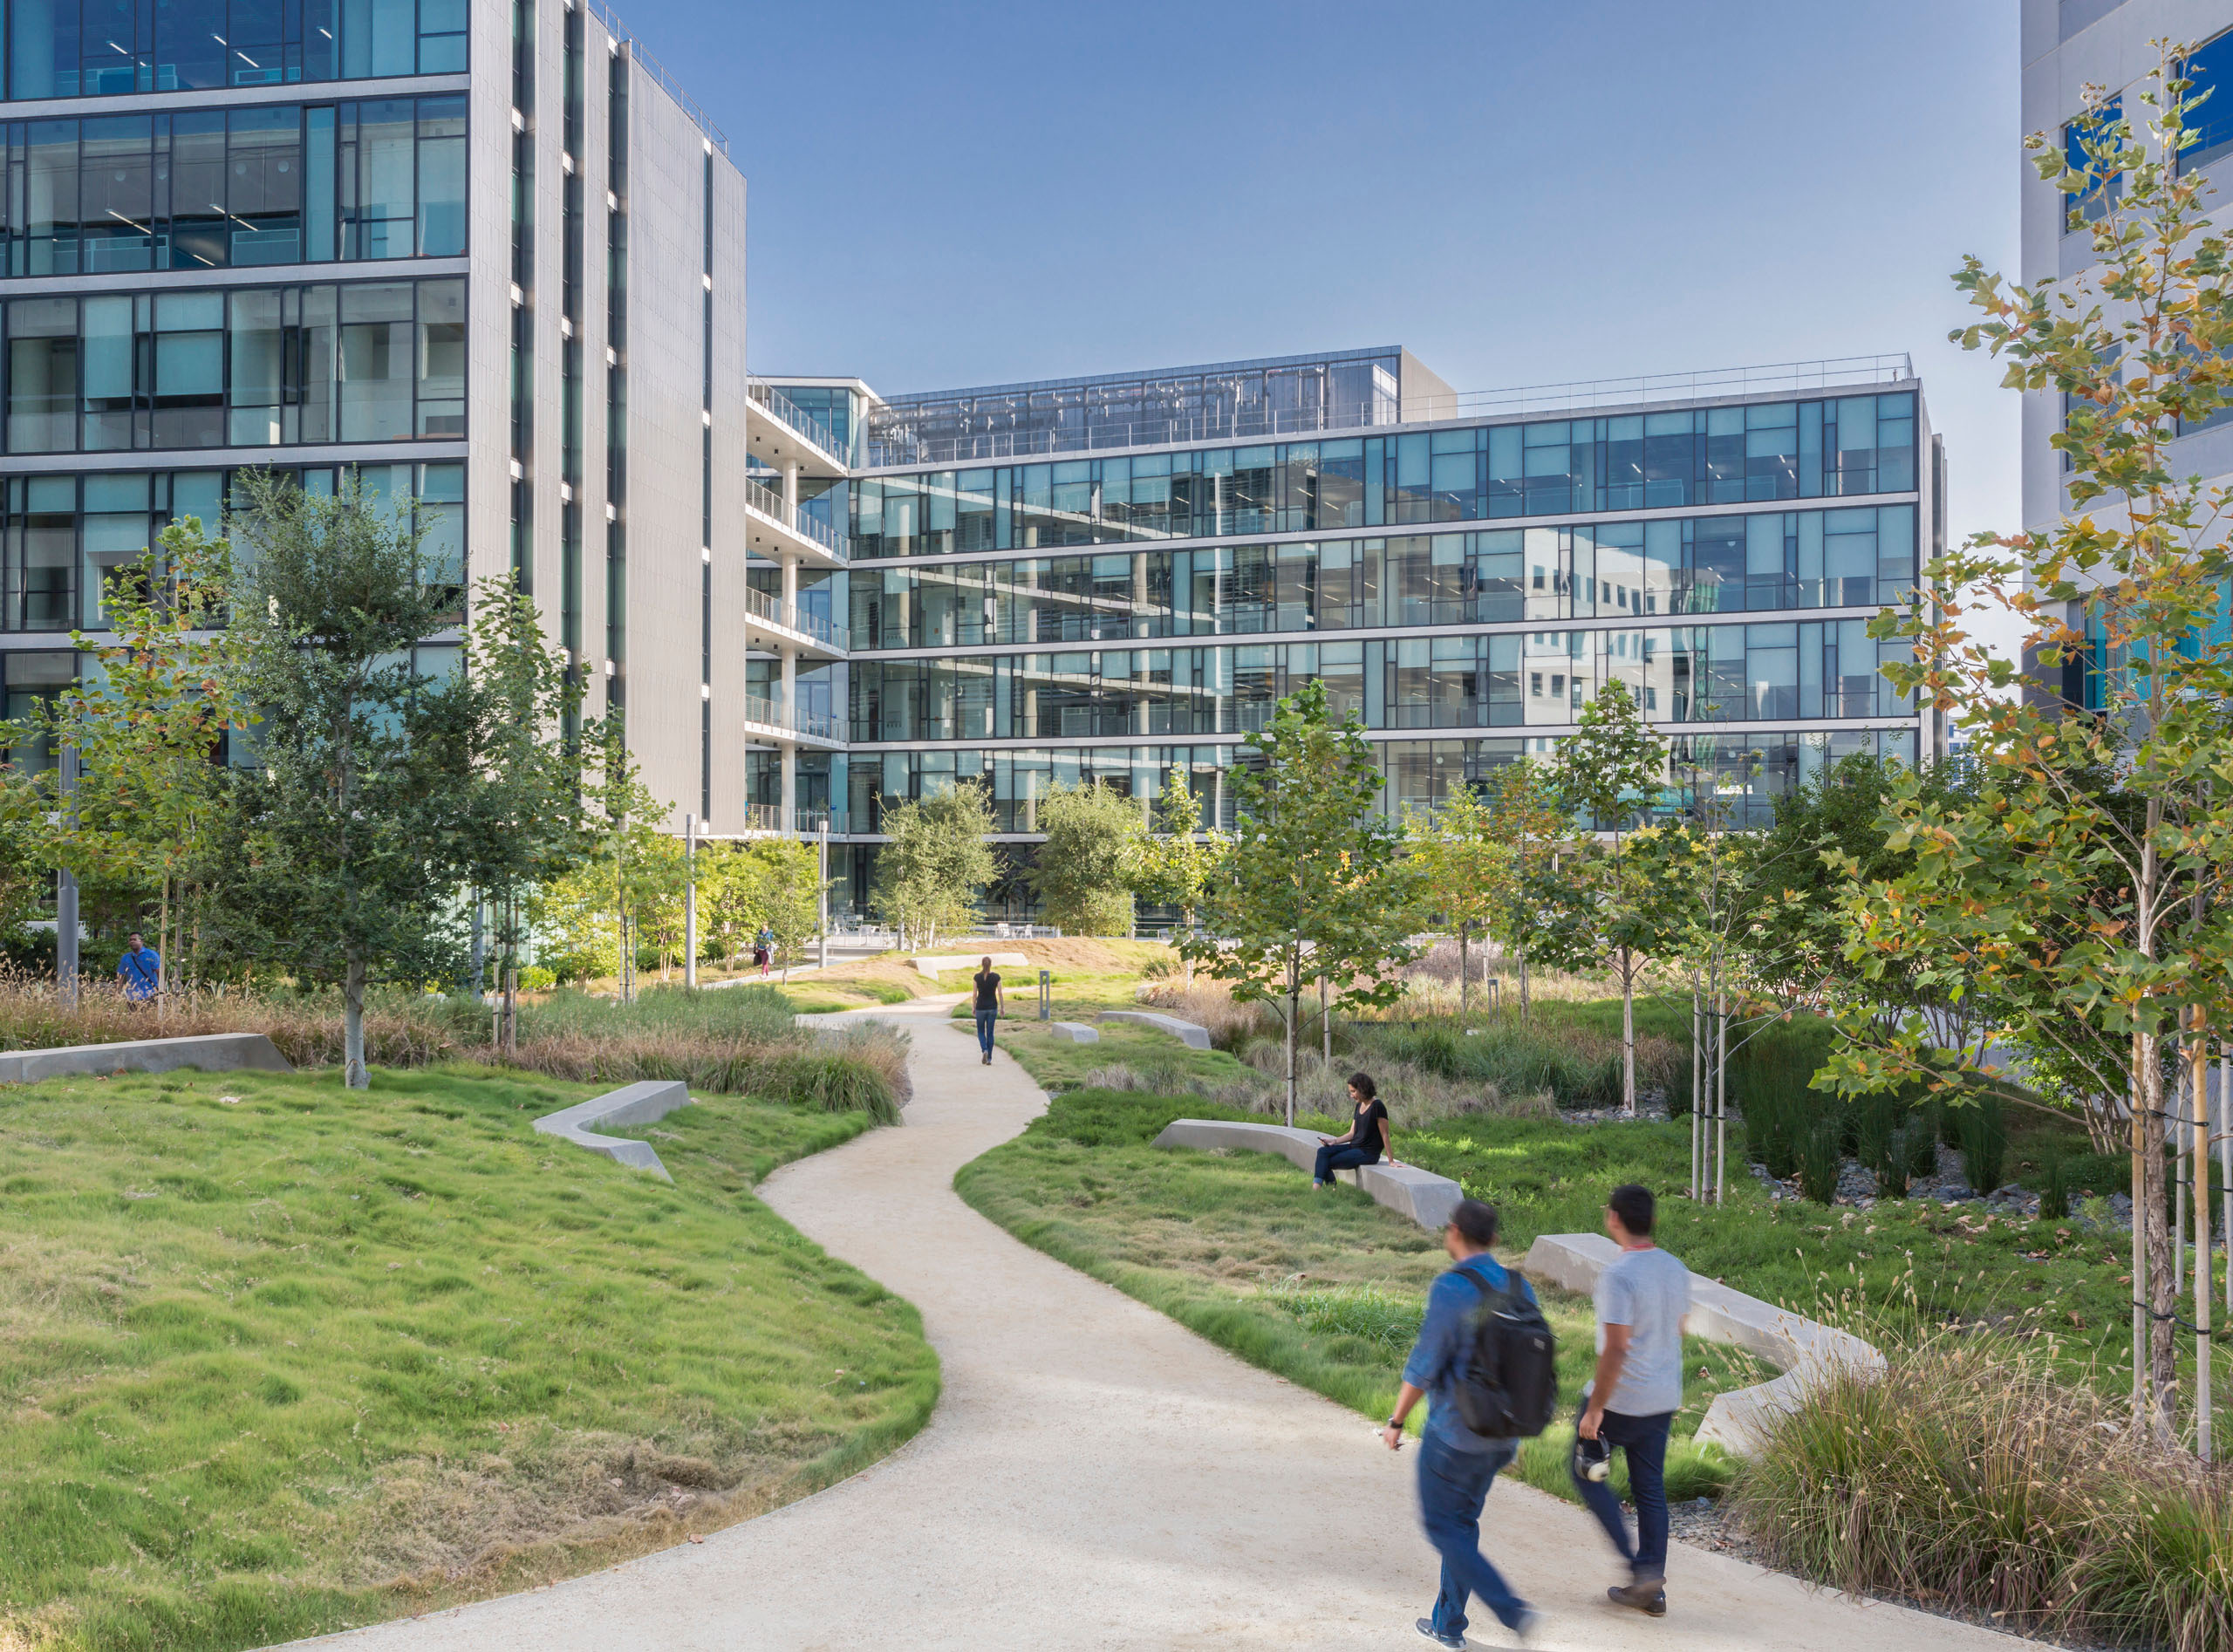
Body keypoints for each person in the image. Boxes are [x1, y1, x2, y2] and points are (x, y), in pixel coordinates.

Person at [1384, 1198, 1540, 1648]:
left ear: (1453, 1232)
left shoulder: (1450, 1288)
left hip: (1455, 1434)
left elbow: (1424, 1365)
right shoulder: (1518, 1285)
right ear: (1492, 1239)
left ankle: (1511, 1609)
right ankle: (1448, 1626)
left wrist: (1396, 1420)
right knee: (1462, 1524)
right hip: (1501, 1434)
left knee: (1441, 1526)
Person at [1574, 1182, 1691, 1618]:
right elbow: (1678, 1326)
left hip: (1624, 1399)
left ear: (1613, 1220)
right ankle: (1652, 1586)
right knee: (1650, 1489)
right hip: (1663, 1397)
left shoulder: (1618, 1275)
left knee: (1587, 1473)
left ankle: (1638, 1569)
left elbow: (1616, 1348)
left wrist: (1595, 1408)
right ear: (1652, 1221)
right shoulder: (1676, 1267)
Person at [1313, 1072, 1390, 1188]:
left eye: (1353, 1091)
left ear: (1362, 1089)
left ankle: (1320, 1188)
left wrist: (1391, 1161)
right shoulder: (1359, 1106)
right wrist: (1333, 1141)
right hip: (1354, 1147)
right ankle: (1326, 1185)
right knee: (1322, 1152)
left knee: (1327, 1161)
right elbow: (1352, 1133)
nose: (1351, 1095)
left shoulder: (1377, 1106)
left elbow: (1385, 1134)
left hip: (1367, 1154)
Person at [971, 956, 1003, 1065]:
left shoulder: (977, 977)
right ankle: (989, 1058)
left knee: (980, 1031)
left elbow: (975, 994)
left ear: (982, 964)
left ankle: (984, 1049)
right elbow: (1000, 993)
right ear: (991, 965)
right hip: (992, 1007)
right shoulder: (996, 977)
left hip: (980, 1007)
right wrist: (1002, 1008)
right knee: (990, 1033)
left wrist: (973, 1007)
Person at [118, 932, 161, 1005]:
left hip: (150, 994)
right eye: (130, 940)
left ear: (141, 941)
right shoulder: (125, 958)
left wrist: (161, 990)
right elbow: (120, 975)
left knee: (148, 1016)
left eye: (135, 939)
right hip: (132, 996)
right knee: (133, 1016)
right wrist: (118, 991)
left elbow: (159, 972)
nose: (132, 941)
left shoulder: (152, 955)